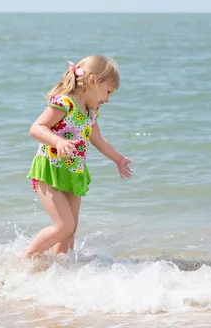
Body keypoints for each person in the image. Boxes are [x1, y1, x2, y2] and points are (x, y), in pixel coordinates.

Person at [25, 55, 133, 257]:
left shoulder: (91, 113)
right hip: (50, 169)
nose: (107, 99)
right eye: (108, 91)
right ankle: (26, 258)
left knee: (70, 233)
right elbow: (36, 128)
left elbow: (99, 140)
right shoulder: (65, 103)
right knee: (64, 226)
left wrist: (118, 159)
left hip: (74, 173)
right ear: (93, 81)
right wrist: (58, 141)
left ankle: (59, 274)